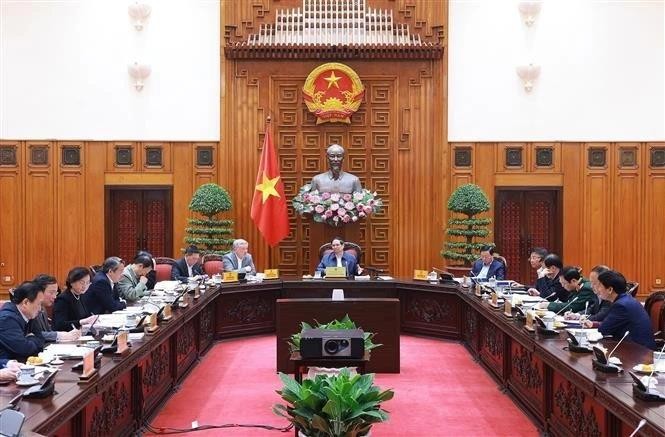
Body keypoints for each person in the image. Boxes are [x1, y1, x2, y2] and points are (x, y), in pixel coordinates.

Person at [583, 270, 656, 350]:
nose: (597, 289)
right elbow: (612, 324)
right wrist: (594, 324)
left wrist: (598, 325)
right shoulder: (625, 299)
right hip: (636, 348)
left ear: (610, 289)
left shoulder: (621, 305)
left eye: (599, 286)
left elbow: (604, 329)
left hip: (639, 352)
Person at [0, 281, 46, 362]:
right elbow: (24, 349)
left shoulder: (30, 315)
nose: (40, 309)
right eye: (39, 304)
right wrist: (32, 337)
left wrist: (29, 339)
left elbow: (41, 340)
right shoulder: (7, 319)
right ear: (25, 302)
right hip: (8, 368)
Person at [31, 274, 80, 342]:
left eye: (55, 293)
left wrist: (67, 335)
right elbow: (35, 334)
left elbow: (48, 330)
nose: (55, 297)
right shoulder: (31, 310)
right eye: (51, 293)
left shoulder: (43, 308)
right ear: (38, 292)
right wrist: (60, 335)